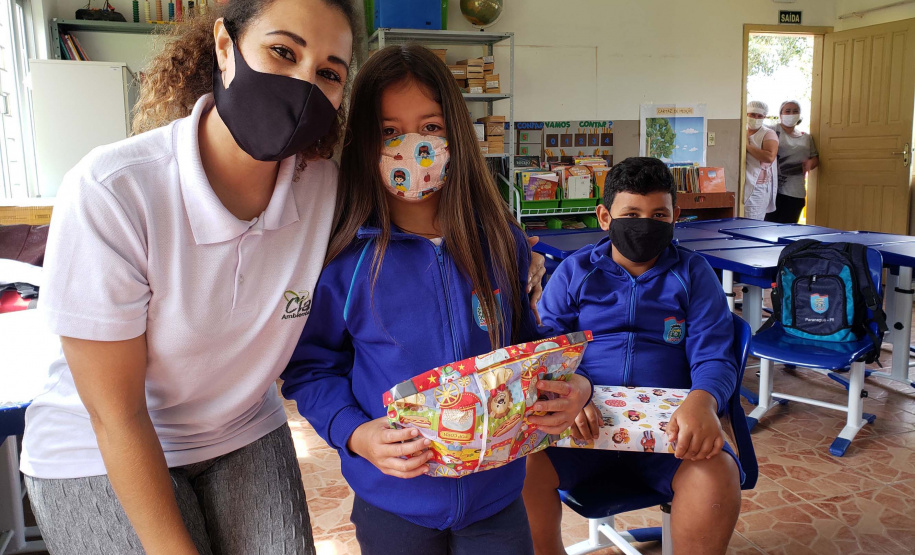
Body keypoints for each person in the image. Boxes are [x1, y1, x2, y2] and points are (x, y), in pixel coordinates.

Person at [17, 0, 540, 552]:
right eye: (282, 51)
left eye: (329, 73)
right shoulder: (113, 189)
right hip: (101, 441)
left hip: (240, 428)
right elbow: (114, 413)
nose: (302, 83)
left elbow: (432, 225)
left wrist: (519, 257)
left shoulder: (327, 191)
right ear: (225, 47)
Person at [280, 44, 591, 555]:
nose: (412, 148)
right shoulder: (342, 258)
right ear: (362, 141)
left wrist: (572, 382)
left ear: (456, 134)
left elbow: (525, 348)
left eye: (430, 127)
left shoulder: (500, 241)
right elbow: (313, 369)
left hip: (498, 501)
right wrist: (356, 436)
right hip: (394, 502)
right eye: (389, 132)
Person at [523, 157, 744, 555]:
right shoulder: (575, 272)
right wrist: (562, 396)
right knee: (518, 467)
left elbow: (715, 353)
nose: (646, 223)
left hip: (670, 433)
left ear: (675, 216)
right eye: (632, 213)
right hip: (580, 426)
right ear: (605, 217)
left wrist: (704, 399)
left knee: (717, 474)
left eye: (659, 214)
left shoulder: (694, 274)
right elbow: (548, 352)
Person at [766, 100, 818, 223]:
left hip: (795, 191)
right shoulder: (771, 131)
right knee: (768, 229)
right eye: (787, 111)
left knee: (789, 229)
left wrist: (811, 163)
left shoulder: (806, 137)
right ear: (780, 114)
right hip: (772, 191)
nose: (791, 114)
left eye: (795, 111)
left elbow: (815, 158)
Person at [744, 100, 778, 220]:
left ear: (764, 117)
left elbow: (769, 157)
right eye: (752, 115)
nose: (756, 118)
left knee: (752, 221)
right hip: (742, 183)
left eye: (760, 116)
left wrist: (747, 146)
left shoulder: (768, 134)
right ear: (746, 114)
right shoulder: (741, 131)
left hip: (758, 187)